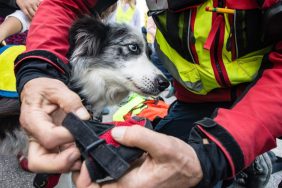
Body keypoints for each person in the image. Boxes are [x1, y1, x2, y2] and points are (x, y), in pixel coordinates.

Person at [14, 0, 282, 188]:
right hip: (192, 98)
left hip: (258, 94)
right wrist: (39, 73)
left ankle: (251, 161)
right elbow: (66, 4)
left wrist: (221, 152)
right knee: (152, 164)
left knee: (206, 168)